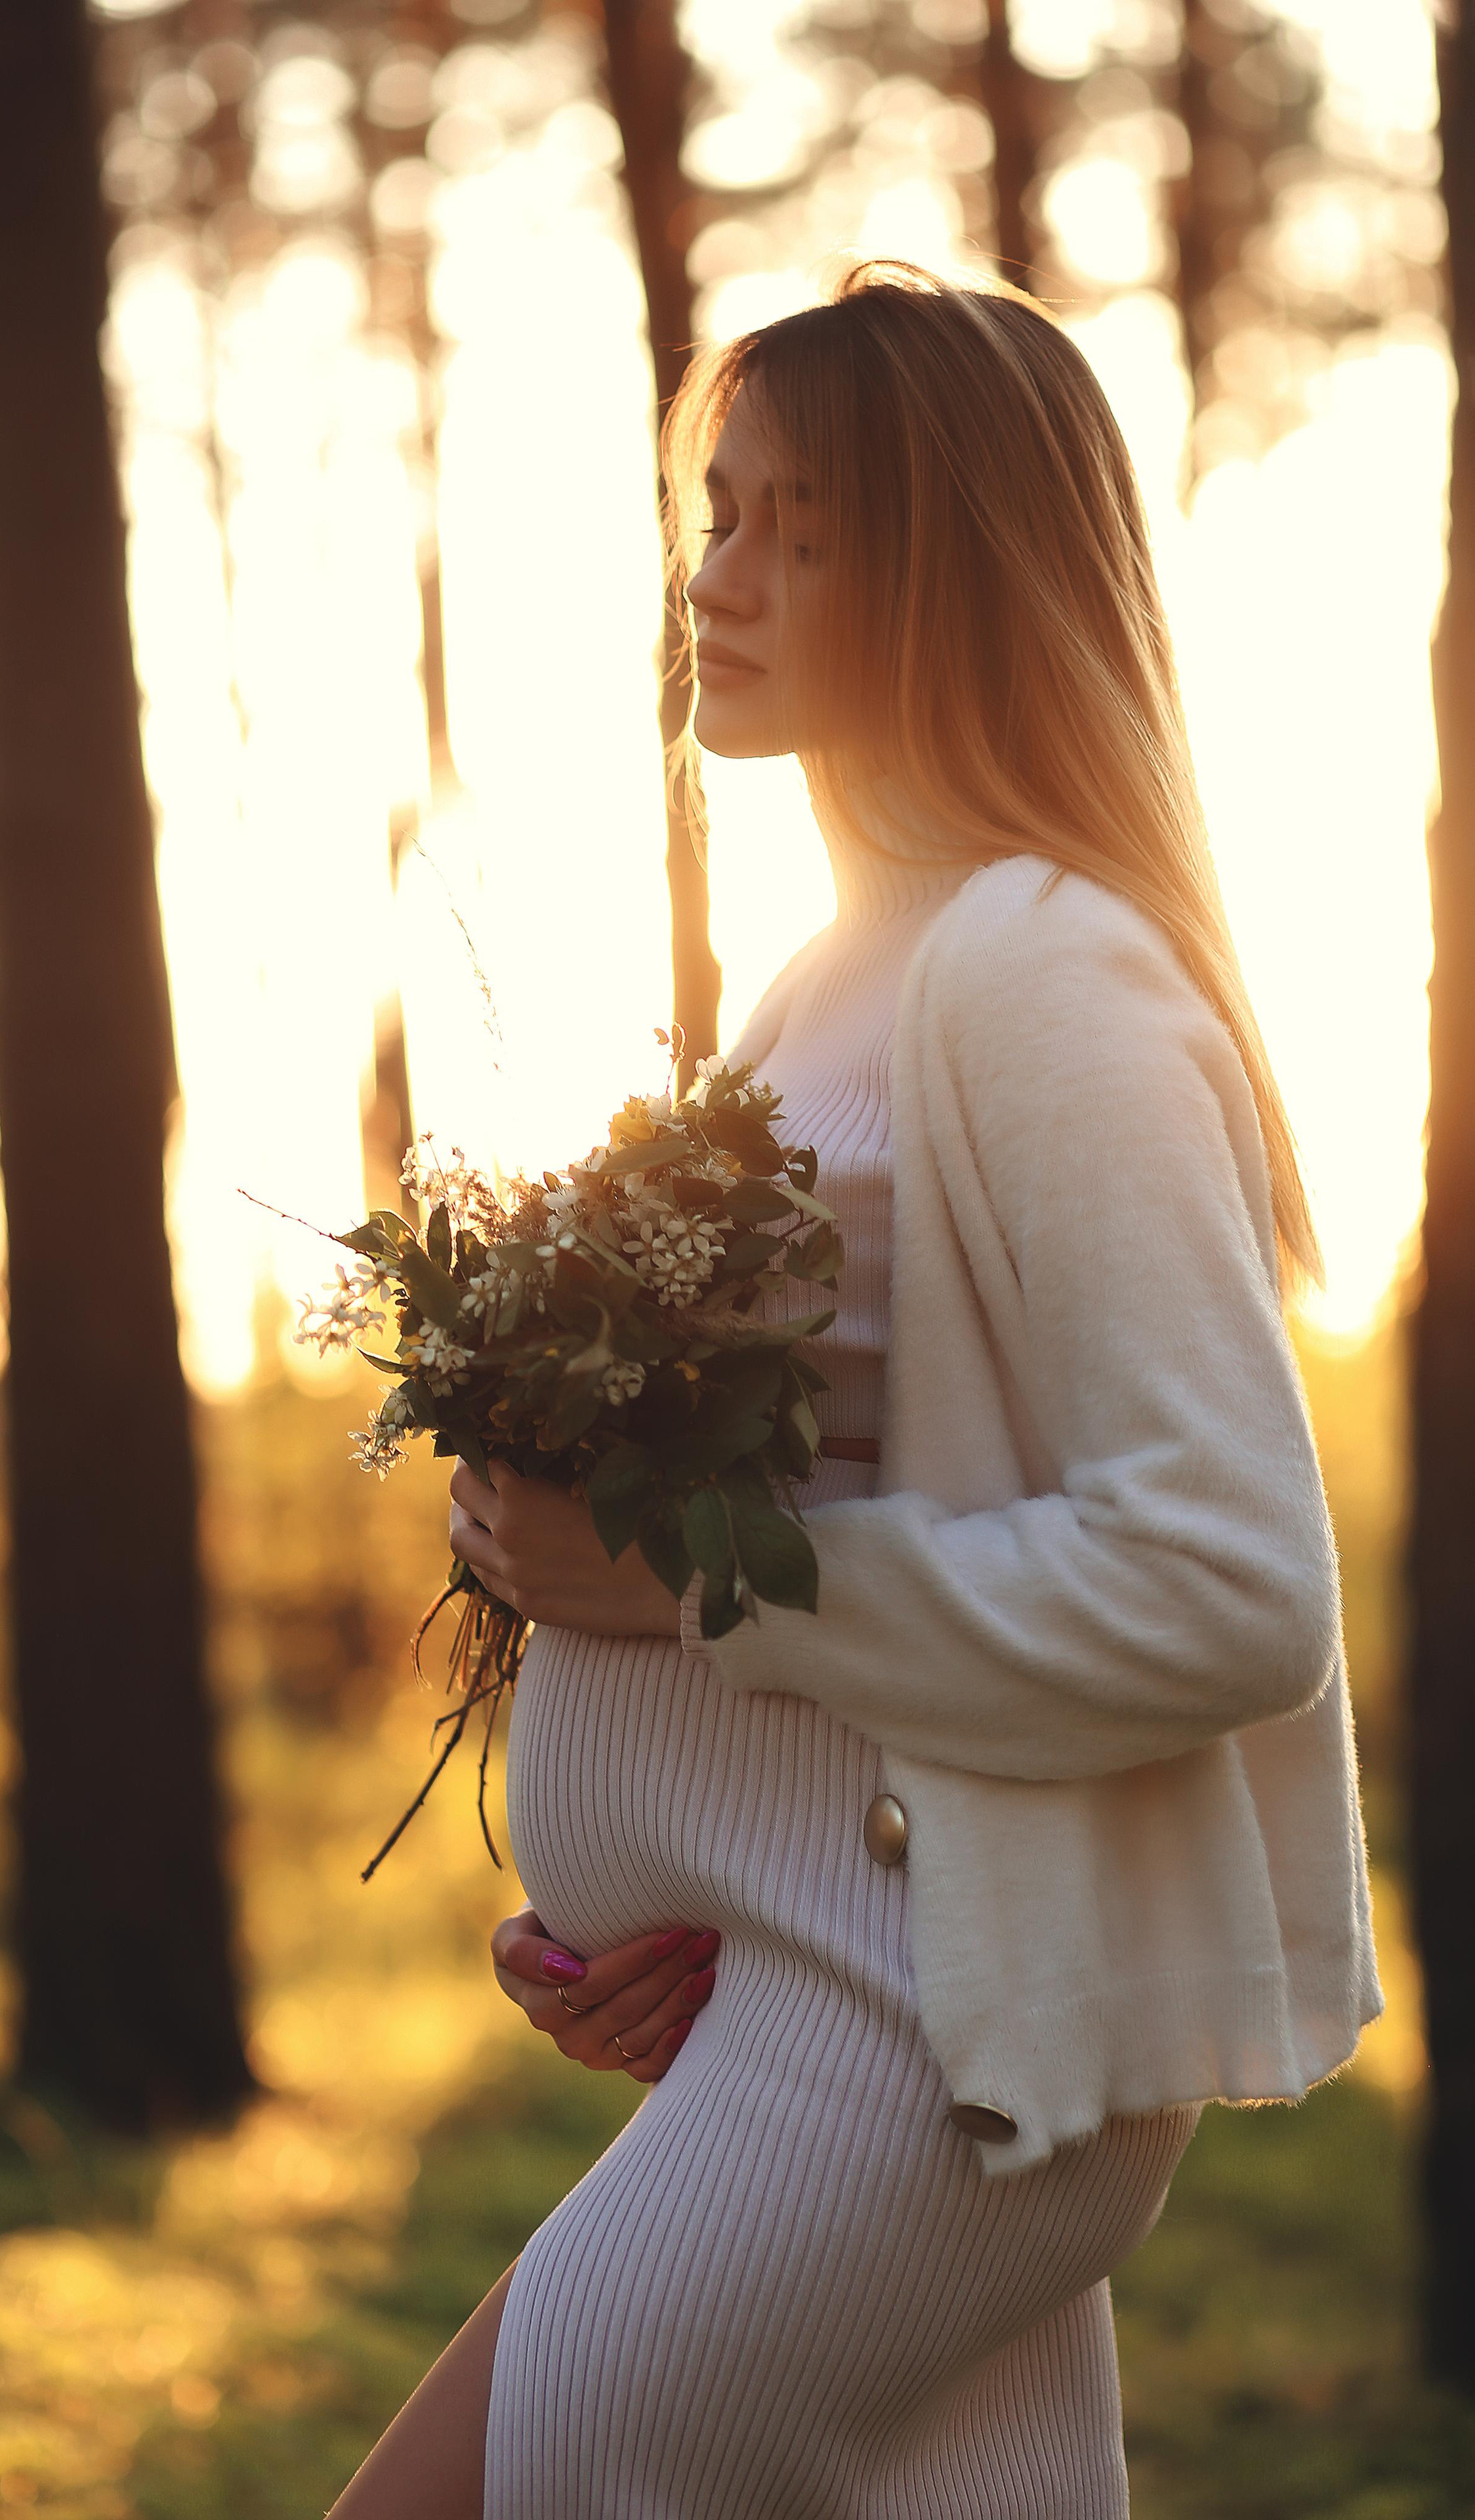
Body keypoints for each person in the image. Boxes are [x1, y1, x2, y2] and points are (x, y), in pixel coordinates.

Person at [327, 261, 1380, 2519]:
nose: (715, 578)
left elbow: (1223, 1584)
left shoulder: (1047, 979)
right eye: (714, 512)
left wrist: (693, 1594)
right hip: (803, 1996)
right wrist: (669, 1880)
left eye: (796, 525)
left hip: (935, 2048)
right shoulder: (827, 978)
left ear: (955, 566)